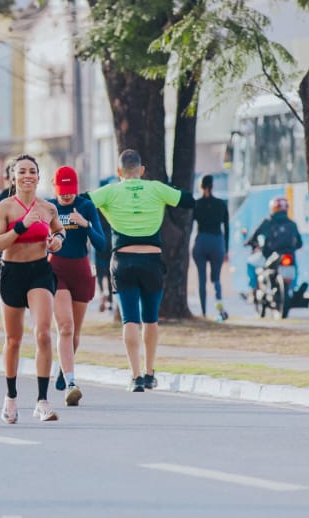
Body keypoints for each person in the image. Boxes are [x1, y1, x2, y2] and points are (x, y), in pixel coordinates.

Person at [89, 149, 195, 392]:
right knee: (150, 319)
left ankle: (135, 376)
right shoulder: (155, 188)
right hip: (152, 261)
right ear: (142, 170)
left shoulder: (110, 191)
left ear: (118, 171)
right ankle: (149, 373)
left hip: (123, 261)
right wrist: (165, 194)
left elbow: (83, 201)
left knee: (130, 319)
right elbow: (188, 200)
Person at [0, 154, 66, 423]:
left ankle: (42, 401)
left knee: (43, 333)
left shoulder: (47, 208)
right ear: (13, 177)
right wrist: (22, 226)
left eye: (32, 171)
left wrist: (58, 239)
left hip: (39, 272)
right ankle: (10, 397)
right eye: (22, 171)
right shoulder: (5, 208)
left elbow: (59, 231)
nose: (27, 176)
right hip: (12, 272)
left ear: (38, 176)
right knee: (13, 339)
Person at [47, 165, 107, 407]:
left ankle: (64, 369)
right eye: (62, 192)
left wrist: (86, 224)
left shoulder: (86, 206)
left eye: (70, 191)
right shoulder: (49, 207)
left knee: (75, 333)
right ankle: (72, 382)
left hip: (81, 270)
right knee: (65, 327)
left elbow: (102, 244)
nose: (66, 196)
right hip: (56, 270)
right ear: (55, 189)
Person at [191, 175, 230, 320]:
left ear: (200, 186)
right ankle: (220, 309)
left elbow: (190, 226)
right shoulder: (221, 204)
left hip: (201, 241)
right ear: (212, 186)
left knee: (201, 278)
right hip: (216, 242)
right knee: (216, 279)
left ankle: (203, 312)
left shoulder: (196, 204)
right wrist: (226, 249)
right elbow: (227, 227)